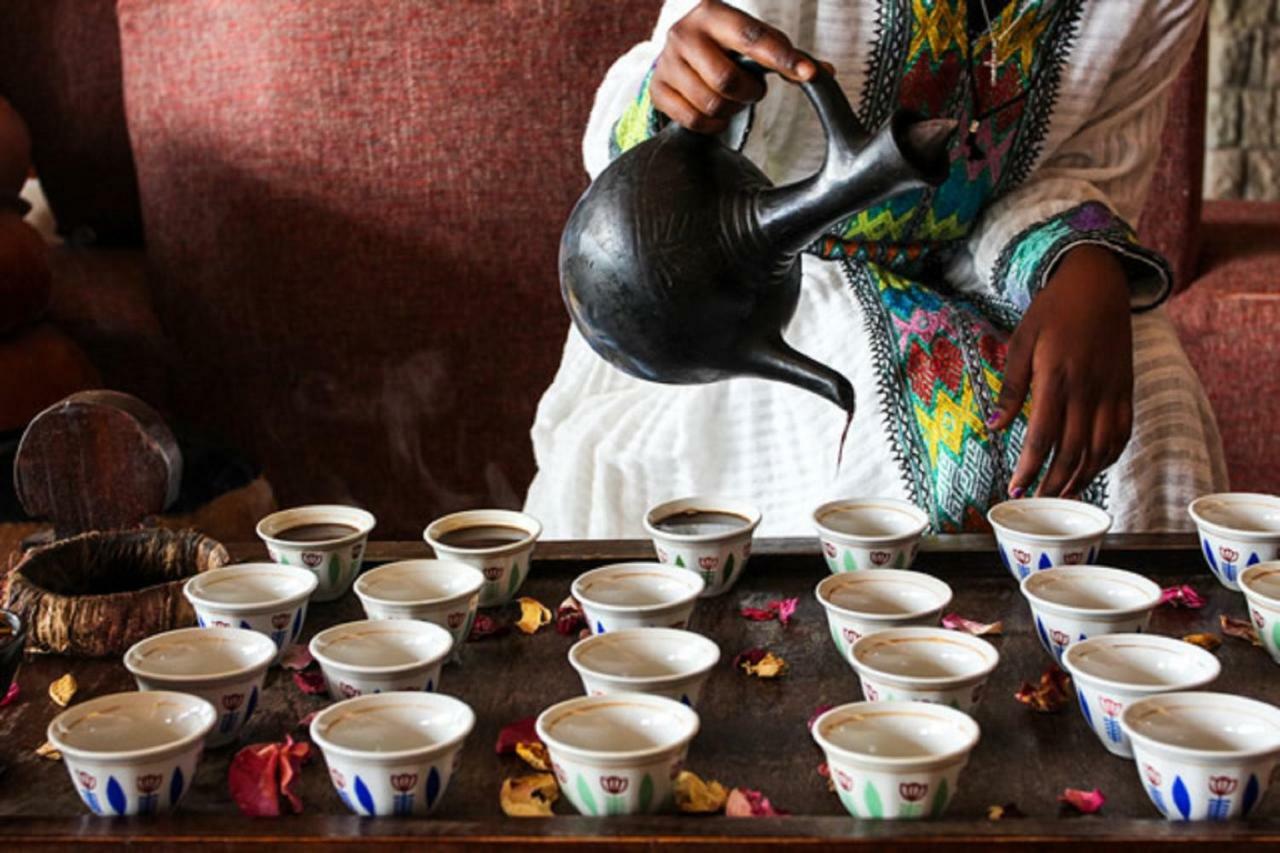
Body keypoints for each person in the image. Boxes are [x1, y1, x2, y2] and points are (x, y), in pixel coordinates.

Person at [526, 0, 1226, 537]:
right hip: (762, 287)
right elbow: (643, 161)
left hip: (989, 263)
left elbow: (1087, 162)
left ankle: (1121, 698)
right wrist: (677, 95)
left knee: (1151, 388)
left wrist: (1084, 263)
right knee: (898, 408)